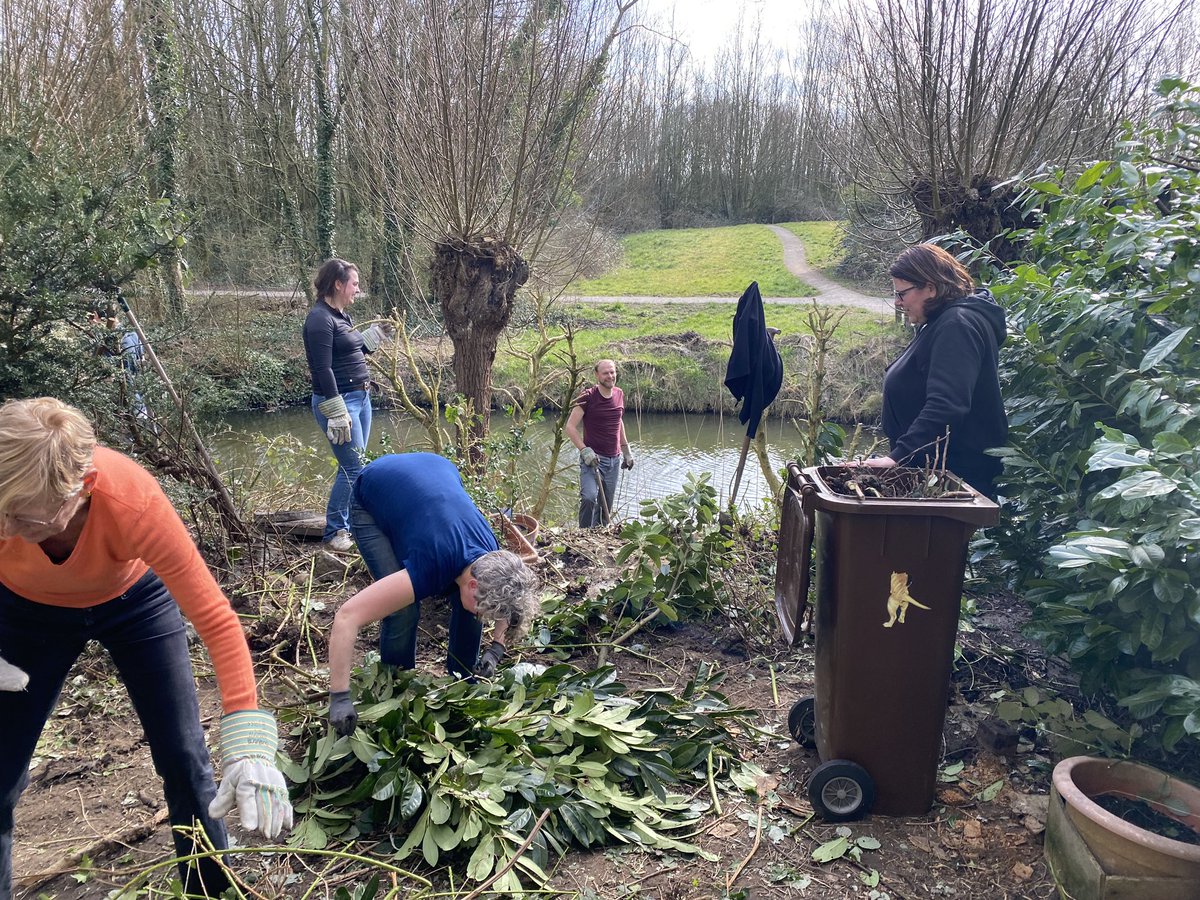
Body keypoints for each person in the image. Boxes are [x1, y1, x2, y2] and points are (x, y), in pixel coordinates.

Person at [0, 398, 292, 899]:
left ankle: (210, 891)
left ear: (82, 489)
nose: (8, 531)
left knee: (184, 757)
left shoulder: (130, 498)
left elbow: (217, 620)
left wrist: (248, 737)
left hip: (132, 601)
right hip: (25, 611)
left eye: (27, 520)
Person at [326, 452, 540, 737]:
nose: (484, 617)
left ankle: (461, 677)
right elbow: (346, 617)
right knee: (403, 609)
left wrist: (496, 648)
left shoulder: (493, 558)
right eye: (484, 613)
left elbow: (508, 601)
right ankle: (397, 680)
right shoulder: (431, 566)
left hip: (435, 472)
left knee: (469, 609)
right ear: (473, 585)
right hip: (374, 490)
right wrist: (339, 696)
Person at [863, 244, 1008, 499]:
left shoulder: (957, 325)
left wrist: (897, 458)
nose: (898, 303)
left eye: (902, 294)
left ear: (930, 287)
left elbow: (947, 404)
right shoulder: (944, 322)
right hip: (935, 474)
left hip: (953, 483)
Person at [303, 258, 384, 553]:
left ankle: (351, 524)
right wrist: (336, 411)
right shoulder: (319, 319)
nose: (358, 290)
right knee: (353, 466)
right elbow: (322, 369)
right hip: (338, 402)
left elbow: (354, 347)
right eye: (354, 284)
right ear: (338, 284)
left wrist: (377, 333)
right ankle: (336, 531)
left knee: (354, 465)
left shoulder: (341, 316)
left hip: (360, 398)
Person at [565, 359, 634, 527]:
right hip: (593, 460)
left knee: (605, 509)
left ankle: (598, 538)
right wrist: (585, 450)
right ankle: (582, 536)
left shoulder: (619, 394)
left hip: (613, 461)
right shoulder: (587, 397)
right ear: (597, 375)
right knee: (589, 497)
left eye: (612, 372)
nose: (610, 376)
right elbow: (570, 427)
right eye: (605, 373)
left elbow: (618, 422)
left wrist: (626, 451)